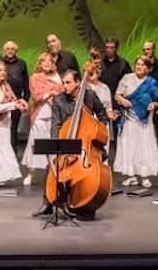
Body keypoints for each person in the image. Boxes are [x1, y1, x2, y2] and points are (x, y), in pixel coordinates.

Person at [31, 69, 109, 220]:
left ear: (78, 82)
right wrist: (55, 148)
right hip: (68, 143)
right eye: (63, 83)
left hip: (86, 146)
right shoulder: (59, 99)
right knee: (52, 165)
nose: (64, 86)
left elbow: (102, 114)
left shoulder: (90, 96)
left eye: (68, 83)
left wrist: (98, 129)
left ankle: (85, 204)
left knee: (92, 166)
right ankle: (48, 202)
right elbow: (56, 126)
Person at [114, 55, 158, 188]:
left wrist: (153, 104)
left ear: (148, 68)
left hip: (144, 121)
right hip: (129, 120)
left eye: (142, 65)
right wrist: (123, 101)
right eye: (138, 64)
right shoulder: (127, 78)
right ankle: (132, 176)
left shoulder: (151, 82)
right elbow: (117, 95)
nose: (139, 66)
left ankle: (145, 177)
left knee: (143, 147)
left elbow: (157, 99)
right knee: (130, 147)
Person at [21, 53, 63, 185]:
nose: (47, 63)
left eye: (49, 61)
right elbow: (36, 95)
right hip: (39, 115)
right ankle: (31, 173)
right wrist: (51, 92)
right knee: (36, 144)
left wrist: (52, 92)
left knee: (52, 145)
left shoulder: (56, 77)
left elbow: (61, 93)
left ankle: (53, 173)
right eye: (44, 61)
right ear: (40, 63)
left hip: (54, 115)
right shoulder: (35, 77)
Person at [85, 51, 120, 150]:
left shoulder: (105, 88)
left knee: (103, 149)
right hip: (89, 121)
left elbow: (108, 107)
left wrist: (111, 115)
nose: (91, 74)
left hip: (103, 121)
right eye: (89, 72)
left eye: (93, 71)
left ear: (98, 73)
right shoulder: (85, 87)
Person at [99, 37, 131, 142]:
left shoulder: (123, 63)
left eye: (111, 47)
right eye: (107, 47)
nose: (108, 50)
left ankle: (118, 157)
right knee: (102, 131)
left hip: (118, 102)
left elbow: (129, 83)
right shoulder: (99, 63)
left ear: (116, 48)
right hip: (102, 101)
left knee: (119, 132)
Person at [1, 41, 30, 154]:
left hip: (17, 99)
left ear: (15, 50)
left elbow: (26, 81)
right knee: (3, 126)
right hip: (2, 100)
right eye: (8, 49)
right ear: (4, 50)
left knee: (13, 126)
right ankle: (3, 151)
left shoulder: (21, 63)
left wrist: (25, 99)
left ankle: (13, 151)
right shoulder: (0, 63)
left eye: (12, 49)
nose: (10, 51)